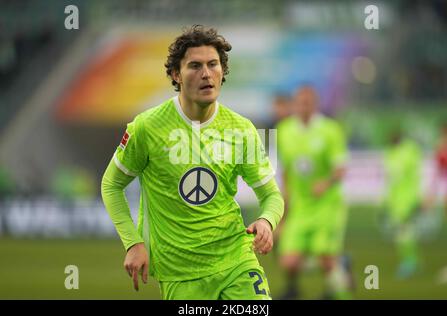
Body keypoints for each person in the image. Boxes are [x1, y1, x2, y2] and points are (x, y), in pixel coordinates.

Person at [101, 25, 284, 300]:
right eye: (195, 66)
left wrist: (267, 222)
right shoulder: (147, 128)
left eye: (213, 64)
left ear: (222, 72)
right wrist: (133, 243)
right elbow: (111, 185)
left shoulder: (241, 129)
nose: (206, 74)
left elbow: (271, 196)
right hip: (180, 273)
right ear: (176, 74)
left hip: (236, 260)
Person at [275, 85, 351, 300]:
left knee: (325, 258)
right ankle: (295, 288)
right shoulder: (284, 131)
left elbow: (341, 168)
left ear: (315, 104)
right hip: (301, 206)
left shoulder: (331, 130)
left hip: (327, 204)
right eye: (299, 103)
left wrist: (326, 183)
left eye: (307, 102)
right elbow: (287, 173)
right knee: (288, 261)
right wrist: (284, 207)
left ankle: (340, 292)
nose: (303, 107)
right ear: (294, 105)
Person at [383, 130, 423, 279]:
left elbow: (412, 176)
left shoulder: (409, 152)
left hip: (406, 200)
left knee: (403, 232)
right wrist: (386, 201)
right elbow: (390, 180)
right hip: (396, 201)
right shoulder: (390, 154)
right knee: (405, 232)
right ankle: (412, 260)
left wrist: (415, 198)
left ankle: (409, 262)